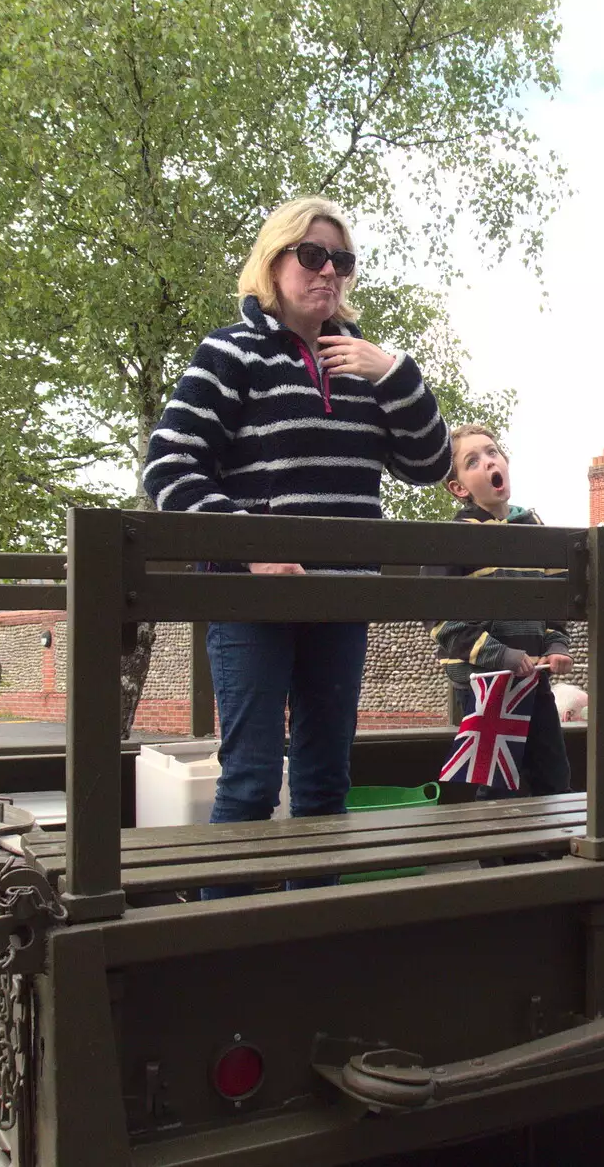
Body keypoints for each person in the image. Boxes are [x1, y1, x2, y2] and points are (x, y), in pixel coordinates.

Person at [142, 196, 450, 896]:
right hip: (253, 598)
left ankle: (306, 933)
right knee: (250, 777)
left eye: (342, 261)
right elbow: (169, 464)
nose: (328, 273)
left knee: (323, 782)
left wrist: (394, 372)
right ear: (274, 263)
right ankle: (221, 935)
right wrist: (250, 542)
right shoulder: (233, 352)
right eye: (311, 256)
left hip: (340, 598)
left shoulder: (364, 367)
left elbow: (432, 465)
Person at [423, 425, 574, 808]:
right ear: (459, 487)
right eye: (473, 461)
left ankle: (550, 856)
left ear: (505, 463)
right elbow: (442, 621)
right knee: (497, 782)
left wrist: (555, 643)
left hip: (533, 681)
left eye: (492, 452)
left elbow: (556, 603)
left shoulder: (536, 532)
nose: (488, 461)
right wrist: (501, 655)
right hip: (484, 686)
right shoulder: (455, 539)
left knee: (553, 775)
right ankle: (498, 861)